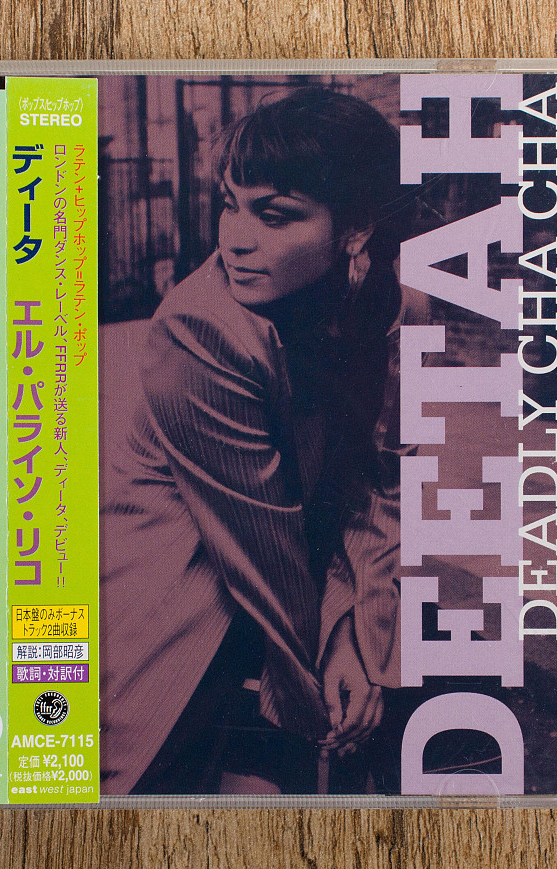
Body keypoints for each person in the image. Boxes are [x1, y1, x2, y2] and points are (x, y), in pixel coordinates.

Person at [100, 87, 413, 795]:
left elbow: (377, 483)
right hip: (178, 617)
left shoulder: (376, 306)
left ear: (354, 229)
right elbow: (266, 550)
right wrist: (329, 688)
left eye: (274, 216)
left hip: (283, 596)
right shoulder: (200, 330)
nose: (236, 238)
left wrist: (361, 634)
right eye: (229, 204)